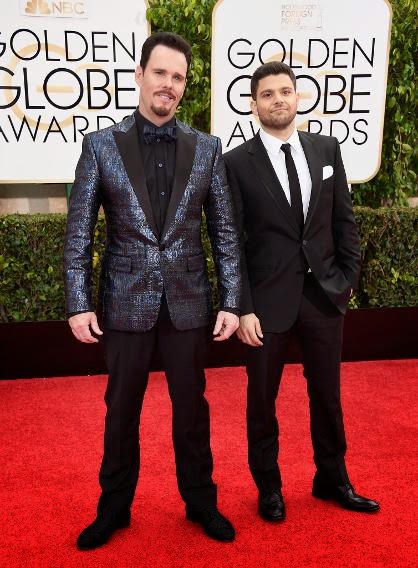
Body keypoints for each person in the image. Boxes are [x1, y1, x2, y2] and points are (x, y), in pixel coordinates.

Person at [64, 32, 241, 549]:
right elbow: (79, 231)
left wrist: (231, 299)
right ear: (140, 75)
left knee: (192, 412)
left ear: (185, 85)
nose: (169, 84)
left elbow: (224, 231)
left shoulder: (207, 148)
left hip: (188, 303)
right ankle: (113, 510)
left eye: (178, 77)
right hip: (124, 301)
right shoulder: (100, 145)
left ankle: (201, 503)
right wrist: (78, 302)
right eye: (160, 73)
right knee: (121, 412)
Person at [223, 61, 379, 522]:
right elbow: (232, 241)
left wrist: (346, 279)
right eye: (267, 94)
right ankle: (269, 488)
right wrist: (242, 307)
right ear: (253, 105)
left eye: (285, 91)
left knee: (327, 396)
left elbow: (343, 221)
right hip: (265, 305)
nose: (278, 100)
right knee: (262, 400)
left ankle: (333, 479)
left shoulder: (326, 149)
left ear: (297, 97)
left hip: (324, 296)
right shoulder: (236, 163)